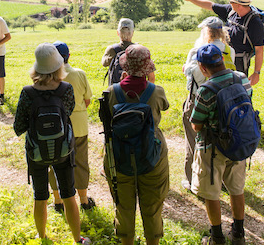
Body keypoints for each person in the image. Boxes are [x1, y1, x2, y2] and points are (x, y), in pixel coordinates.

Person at [13, 43, 90, 245]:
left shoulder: (27, 92)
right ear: (58, 66)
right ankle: (76, 238)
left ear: (36, 67)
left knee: (40, 196)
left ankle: (42, 237)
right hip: (63, 151)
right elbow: (69, 111)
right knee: (69, 194)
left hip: (36, 153)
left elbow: (18, 127)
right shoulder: (66, 89)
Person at [104, 44, 169, 245]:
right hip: (152, 156)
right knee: (152, 206)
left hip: (119, 157)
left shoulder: (111, 92)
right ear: (147, 68)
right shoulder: (157, 92)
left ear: (125, 67)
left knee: (123, 206)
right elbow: (163, 107)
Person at [190, 44, 252, 245]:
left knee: (212, 192)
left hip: (213, 148)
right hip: (239, 143)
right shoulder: (241, 78)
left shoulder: (206, 90)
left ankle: (217, 237)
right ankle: (238, 233)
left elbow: (197, 125)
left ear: (202, 67)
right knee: (237, 188)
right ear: (221, 60)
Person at [181, 16, 235, 191]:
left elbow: (190, 77)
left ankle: (191, 179)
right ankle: (222, 180)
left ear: (205, 31)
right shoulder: (229, 51)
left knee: (193, 140)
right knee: (220, 139)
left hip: (198, 98)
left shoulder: (196, 51)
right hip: (223, 100)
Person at [175, 0, 264, 85]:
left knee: (236, 90)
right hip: (223, 57)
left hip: (239, 63)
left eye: (231, 2)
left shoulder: (255, 24)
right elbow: (210, 5)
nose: (229, 3)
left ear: (238, 5)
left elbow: (259, 49)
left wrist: (257, 72)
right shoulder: (231, 11)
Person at [49, 41, 95, 212]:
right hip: (79, 125)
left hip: (55, 127)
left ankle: (58, 201)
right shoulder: (79, 74)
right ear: (69, 56)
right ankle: (83, 200)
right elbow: (87, 100)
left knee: (55, 162)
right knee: (81, 161)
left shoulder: (47, 77)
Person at [101, 18, 155, 83]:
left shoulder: (111, 49)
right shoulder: (140, 51)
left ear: (118, 33)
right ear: (132, 33)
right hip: (137, 90)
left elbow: (104, 63)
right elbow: (151, 77)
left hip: (117, 90)